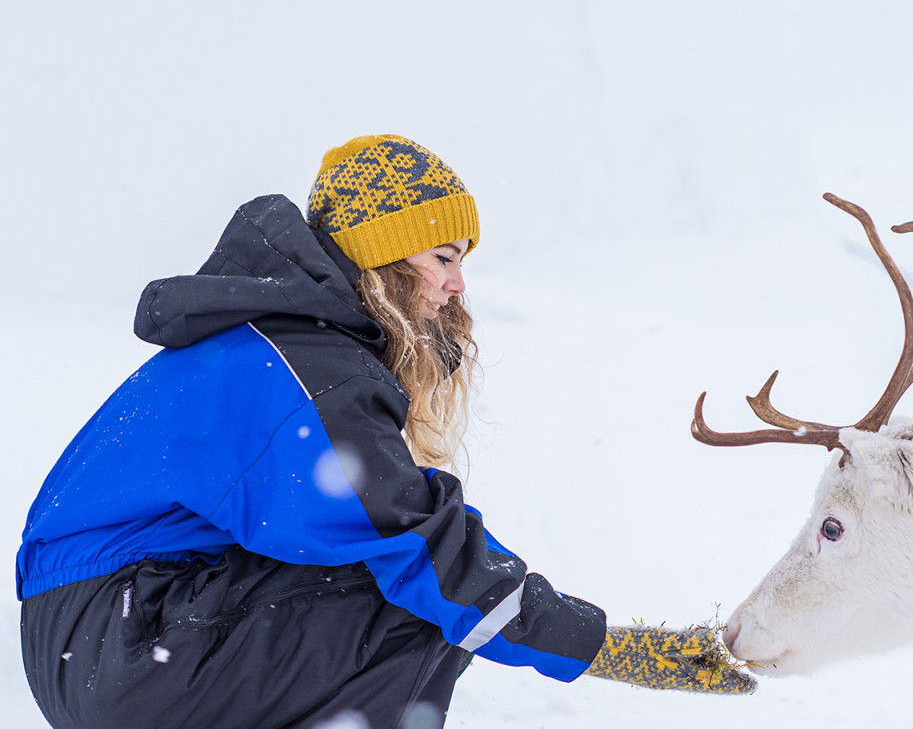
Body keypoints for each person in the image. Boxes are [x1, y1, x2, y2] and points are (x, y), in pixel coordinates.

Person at [17, 135, 753, 729]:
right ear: (385, 256)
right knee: (419, 606)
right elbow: (425, 550)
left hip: (103, 633)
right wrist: (610, 650)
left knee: (401, 592)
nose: (458, 286)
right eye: (443, 258)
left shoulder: (280, 344)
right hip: (124, 639)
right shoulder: (310, 369)